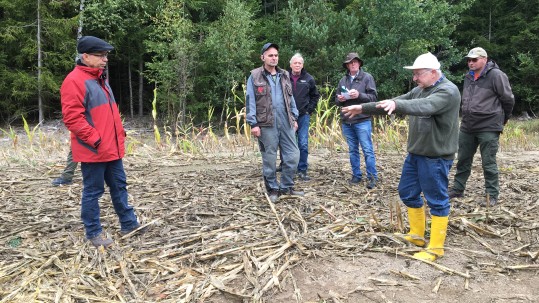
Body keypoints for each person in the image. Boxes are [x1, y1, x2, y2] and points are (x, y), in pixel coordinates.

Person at [342, 52, 461, 262]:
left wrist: (398, 106)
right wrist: (363, 107)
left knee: (437, 200)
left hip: (435, 156)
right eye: (414, 74)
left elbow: (424, 106)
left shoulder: (447, 91)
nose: (415, 78)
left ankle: (436, 248)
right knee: (407, 193)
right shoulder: (420, 89)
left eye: (418, 74)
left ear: (433, 73)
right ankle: (416, 236)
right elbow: (395, 101)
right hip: (416, 153)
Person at [60, 36, 145, 248]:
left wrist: (118, 135)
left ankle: (129, 223)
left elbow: (107, 115)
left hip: (112, 148)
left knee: (119, 186)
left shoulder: (100, 78)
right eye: (100, 55)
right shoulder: (74, 81)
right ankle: (93, 233)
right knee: (93, 191)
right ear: (85, 56)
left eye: (106, 55)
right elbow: (72, 118)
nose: (105, 59)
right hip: (94, 150)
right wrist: (96, 140)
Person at [448, 47, 515, 206]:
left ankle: (491, 194)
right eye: (469, 60)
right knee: (463, 159)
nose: (470, 63)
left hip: (489, 125)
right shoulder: (468, 77)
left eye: (474, 60)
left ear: (484, 59)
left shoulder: (496, 75)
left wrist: (504, 118)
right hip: (468, 125)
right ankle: (458, 189)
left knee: (488, 162)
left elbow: (508, 99)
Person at [246, 42, 304, 203]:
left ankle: (286, 186)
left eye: (276, 55)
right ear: (262, 57)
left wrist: (294, 117)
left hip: (286, 121)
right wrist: (253, 123)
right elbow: (250, 100)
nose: (274, 58)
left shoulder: (284, 74)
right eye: (270, 55)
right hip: (266, 123)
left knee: (293, 155)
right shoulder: (255, 76)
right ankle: (272, 188)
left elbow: (290, 98)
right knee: (269, 158)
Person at [335, 52, 378, 189]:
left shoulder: (367, 78)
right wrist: (340, 99)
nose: (352, 64)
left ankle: (372, 177)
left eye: (355, 62)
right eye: (350, 62)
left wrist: (359, 95)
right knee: (353, 150)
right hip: (347, 120)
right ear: (347, 65)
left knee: (367, 149)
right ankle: (356, 175)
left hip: (362, 119)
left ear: (359, 63)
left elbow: (373, 98)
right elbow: (336, 100)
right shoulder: (343, 80)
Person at [287, 53, 320, 181]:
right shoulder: (285, 78)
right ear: (291, 65)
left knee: (303, 143)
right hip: (288, 116)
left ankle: (302, 169)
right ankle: (290, 167)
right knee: (288, 143)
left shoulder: (308, 79)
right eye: (295, 63)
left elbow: (315, 96)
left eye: (299, 63)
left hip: (303, 116)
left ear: (302, 65)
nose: (297, 65)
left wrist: (309, 110)